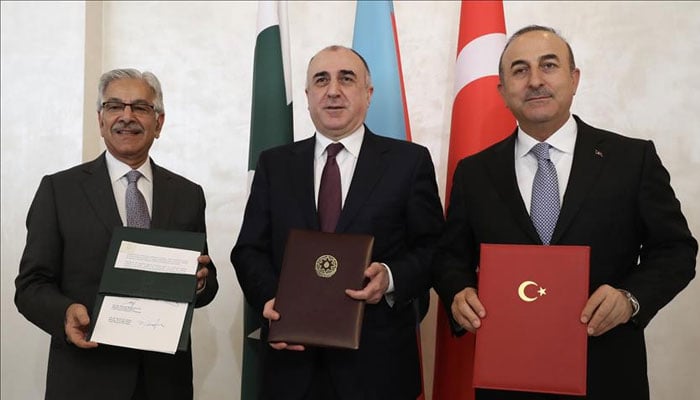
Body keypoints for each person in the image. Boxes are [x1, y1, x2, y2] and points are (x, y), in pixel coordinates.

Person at [432, 25, 697, 400]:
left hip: (606, 373)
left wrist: (630, 299)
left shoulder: (631, 159)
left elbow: (676, 250)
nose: (535, 81)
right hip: (508, 377)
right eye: (520, 70)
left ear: (574, 79)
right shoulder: (474, 172)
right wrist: (458, 291)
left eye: (549, 65)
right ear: (502, 91)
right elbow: (449, 256)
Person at [231, 45, 444, 400]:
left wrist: (390, 277)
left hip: (378, 369)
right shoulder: (275, 164)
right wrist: (271, 297)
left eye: (346, 79)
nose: (333, 91)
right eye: (321, 80)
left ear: (368, 93)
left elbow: (434, 246)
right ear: (308, 96)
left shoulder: (408, 162)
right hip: (291, 366)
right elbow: (249, 249)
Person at [15, 68, 218, 400]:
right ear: (100, 120)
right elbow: (30, 285)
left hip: (165, 382)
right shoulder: (59, 190)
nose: (127, 116)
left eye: (140, 107)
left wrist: (199, 283)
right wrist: (65, 313)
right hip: (85, 379)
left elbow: (207, 283)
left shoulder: (187, 194)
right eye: (114, 106)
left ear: (159, 122)